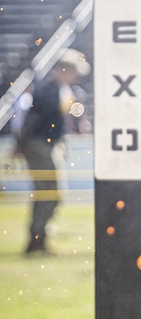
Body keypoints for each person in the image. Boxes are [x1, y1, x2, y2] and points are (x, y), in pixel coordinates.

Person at [15, 49, 89, 255]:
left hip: (45, 145)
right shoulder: (49, 89)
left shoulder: (59, 89)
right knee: (50, 193)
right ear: (65, 70)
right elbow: (34, 122)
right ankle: (37, 240)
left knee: (49, 193)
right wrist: (21, 145)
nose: (77, 77)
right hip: (40, 145)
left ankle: (38, 239)